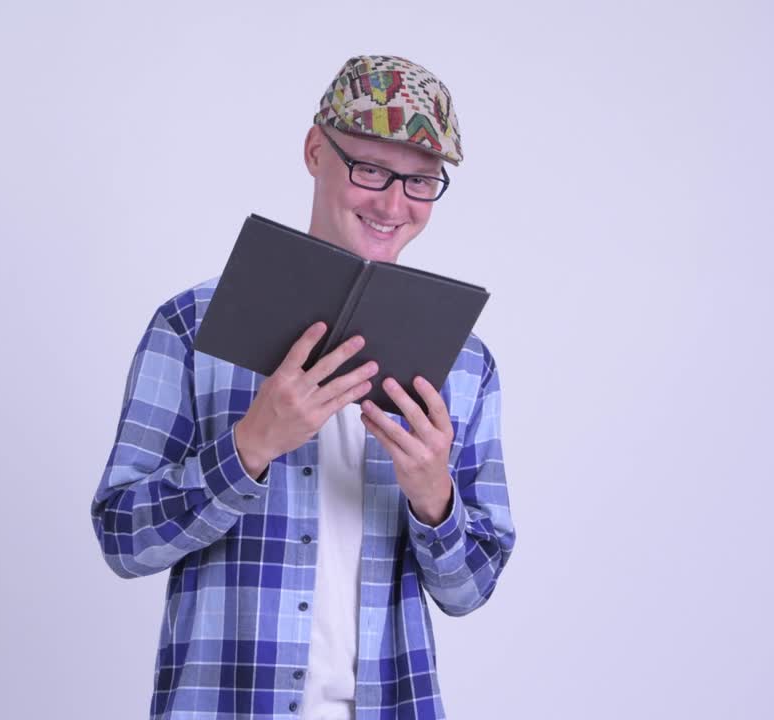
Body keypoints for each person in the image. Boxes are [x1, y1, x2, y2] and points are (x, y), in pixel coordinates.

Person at [91, 55, 516, 720]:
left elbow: (470, 589)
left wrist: (434, 496)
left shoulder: (464, 364)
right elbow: (122, 539)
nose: (393, 203)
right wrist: (250, 447)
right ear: (316, 150)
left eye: (421, 182)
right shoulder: (193, 325)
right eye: (371, 169)